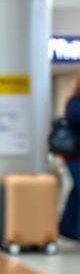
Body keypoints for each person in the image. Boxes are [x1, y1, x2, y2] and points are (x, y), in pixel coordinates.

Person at [60, 77, 80, 239]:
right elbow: (74, 119)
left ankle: (67, 228)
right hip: (74, 156)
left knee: (76, 192)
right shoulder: (74, 103)